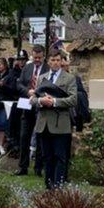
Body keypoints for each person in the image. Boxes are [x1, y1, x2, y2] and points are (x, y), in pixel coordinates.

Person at [30, 50, 77, 189]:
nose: (56, 62)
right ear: (48, 61)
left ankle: (58, 188)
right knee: (47, 157)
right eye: (53, 60)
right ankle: (48, 187)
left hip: (60, 123)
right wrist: (40, 100)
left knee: (60, 157)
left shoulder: (69, 78)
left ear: (61, 61)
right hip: (43, 123)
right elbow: (32, 99)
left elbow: (73, 99)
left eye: (58, 60)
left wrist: (55, 102)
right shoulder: (42, 78)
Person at [14, 46, 45, 176]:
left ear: (43, 56)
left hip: (40, 105)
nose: (37, 60)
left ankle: (38, 168)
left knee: (39, 137)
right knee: (24, 136)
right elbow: (19, 84)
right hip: (26, 105)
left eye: (39, 58)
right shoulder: (27, 67)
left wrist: (37, 92)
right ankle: (23, 167)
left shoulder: (48, 69)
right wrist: (28, 91)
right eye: (35, 57)